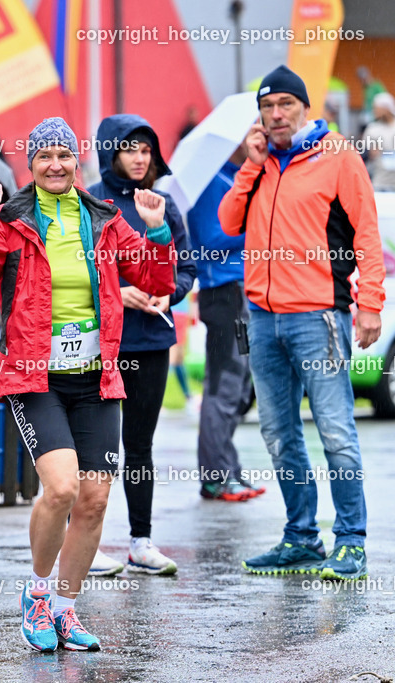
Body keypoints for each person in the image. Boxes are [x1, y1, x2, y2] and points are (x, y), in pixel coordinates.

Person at [0, 118, 176, 652]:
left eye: (63, 156)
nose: (54, 165)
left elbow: (157, 282)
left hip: (96, 377)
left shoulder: (105, 217)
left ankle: (67, 611)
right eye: (43, 155)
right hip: (33, 375)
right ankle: (39, 593)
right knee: (64, 487)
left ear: (78, 162)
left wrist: (158, 233)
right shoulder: (13, 218)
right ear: (31, 164)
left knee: (94, 498)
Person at [220, 65, 383, 580]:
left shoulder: (337, 156)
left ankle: (352, 540)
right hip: (263, 319)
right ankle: (300, 537)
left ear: (304, 108)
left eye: (284, 105)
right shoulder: (260, 162)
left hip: (318, 315)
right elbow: (227, 223)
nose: (275, 115)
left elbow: (367, 234)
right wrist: (250, 165)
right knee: (278, 434)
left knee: (335, 431)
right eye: (267, 108)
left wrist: (371, 304)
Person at [87, 115, 196, 577]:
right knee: (95, 448)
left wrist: (169, 292)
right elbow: (75, 272)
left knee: (140, 445)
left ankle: (140, 541)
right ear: (110, 151)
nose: (139, 157)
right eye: (130, 148)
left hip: (152, 340)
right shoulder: (89, 201)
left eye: (147, 149)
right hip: (102, 344)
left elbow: (185, 268)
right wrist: (115, 291)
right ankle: (85, 544)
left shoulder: (161, 203)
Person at [187, 146, 266, 501]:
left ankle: (228, 470)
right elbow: (211, 239)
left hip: (242, 293)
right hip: (223, 294)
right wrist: (259, 228)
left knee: (240, 387)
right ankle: (215, 478)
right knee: (224, 385)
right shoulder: (209, 182)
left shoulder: (234, 177)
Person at [362, 92, 395, 191]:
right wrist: (369, 153)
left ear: (386, 109)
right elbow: (361, 154)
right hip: (378, 183)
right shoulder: (372, 129)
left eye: (376, 108)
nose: (374, 111)